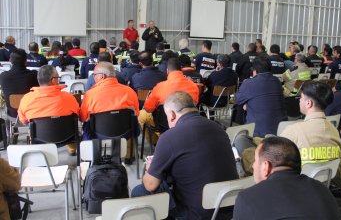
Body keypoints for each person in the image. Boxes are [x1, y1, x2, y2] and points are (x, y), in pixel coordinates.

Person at [132, 91, 238, 219]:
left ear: (171, 115)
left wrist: (150, 168)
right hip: (228, 207)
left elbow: (150, 185)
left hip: (196, 214)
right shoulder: (219, 129)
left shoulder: (169, 137)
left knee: (139, 191)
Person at [233, 137, 341, 220]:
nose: (253, 166)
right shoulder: (322, 189)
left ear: (266, 166)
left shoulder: (247, 199)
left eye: (256, 161)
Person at [18, 65, 80, 154]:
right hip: (67, 137)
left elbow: (23, 120)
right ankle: (72, 149)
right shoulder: (69, 97)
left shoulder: (26, 98)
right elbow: (77, 115)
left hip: (39, 138)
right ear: (53, 80)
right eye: (58, 77)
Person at [281, 81, 341, 164]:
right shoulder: (334, 131)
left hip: (299, 176)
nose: (299, 101)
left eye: (301, 98)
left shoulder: (293, 131)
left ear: (308, 103)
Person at [80, 62, 139, 142]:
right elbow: (137, 113)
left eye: (94, 75)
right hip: (126, 133)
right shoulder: (130, 91)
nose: (93, 77)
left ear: (102, 76)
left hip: (97, 135)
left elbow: (83, 117)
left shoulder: (90, 94)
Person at [138, 58, 199, 132]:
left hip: (164, 125)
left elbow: (148, 108)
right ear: (181, 70)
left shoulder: (159, 87)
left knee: (142, 115)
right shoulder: (193, 86)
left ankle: (155, 141)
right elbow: (195, 104)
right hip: (188, 124)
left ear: (167, 71)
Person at [236, 56, 287, 137]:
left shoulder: (249, 83)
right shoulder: (277, 81)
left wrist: (244, 85)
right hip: (281, 128)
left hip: (259, 132)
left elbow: (238, 100)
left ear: (254, 70)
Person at [0, 49, 39, 118]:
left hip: (12, 113)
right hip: (30, 112)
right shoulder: (34, 75)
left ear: (10, 61)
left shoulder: (3, 76)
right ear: (25, 61)